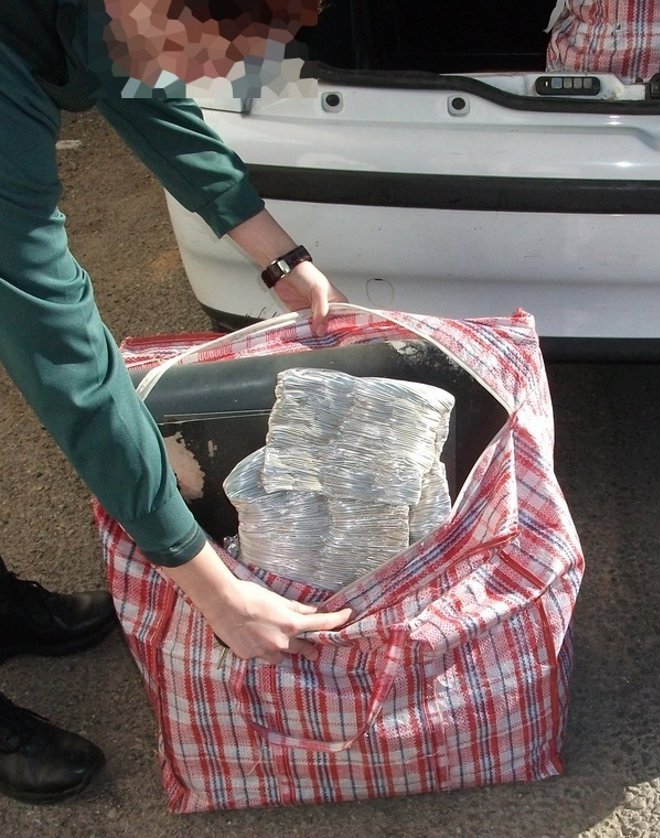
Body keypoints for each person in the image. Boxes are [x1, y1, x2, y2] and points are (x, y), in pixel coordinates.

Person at [0, 0, 352, 804]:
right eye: (216, 50)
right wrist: (218, 594)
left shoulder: (113, 16)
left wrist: (278, 256)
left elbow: (146, 90)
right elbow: (69, 363)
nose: (222, 72)